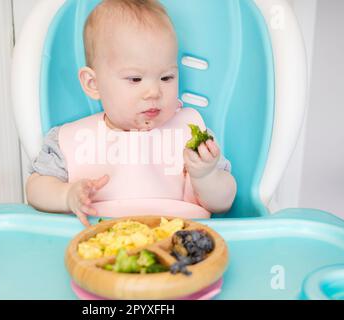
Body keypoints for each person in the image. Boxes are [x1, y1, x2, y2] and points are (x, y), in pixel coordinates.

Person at [26, 0, 237, 226]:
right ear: (93, 83)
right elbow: (35, 188)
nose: (154, 92)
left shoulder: (190, 136)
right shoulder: (70, 140)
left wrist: (205, 176)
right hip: (98, 248)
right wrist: (65, 196)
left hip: (180, 243)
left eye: (166, 77)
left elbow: (224, 202)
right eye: (135, 79)